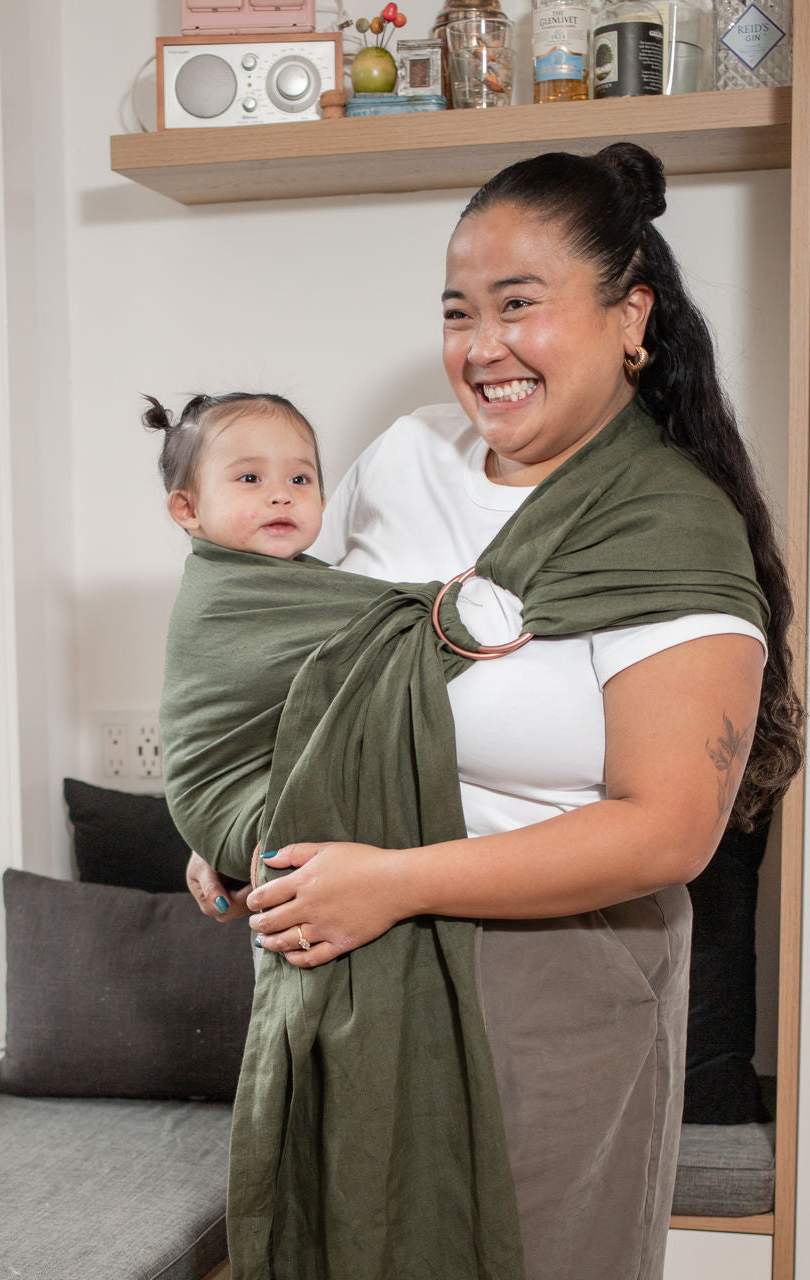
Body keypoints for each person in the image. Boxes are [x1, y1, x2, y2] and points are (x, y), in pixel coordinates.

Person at [176, 143, 804, 1280]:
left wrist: (392, 881)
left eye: (521, 305)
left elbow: (667, 829)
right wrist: (238, 830)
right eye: (459, 311)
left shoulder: (669, 524)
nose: (482, 347)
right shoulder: (403, 456)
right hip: (345, 980)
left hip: (547, 992)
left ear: (630, 315)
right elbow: (310, 673)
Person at [141, 391, 326, 560]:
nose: (282, 495)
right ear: (188, 508)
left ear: (322, 502)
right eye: (250, 478)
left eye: (298, 480)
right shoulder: (225, 593)